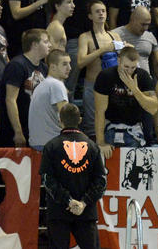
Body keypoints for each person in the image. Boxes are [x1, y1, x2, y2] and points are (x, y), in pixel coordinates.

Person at [40, 103, 107, 249]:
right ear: (80, 120)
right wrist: (84, 202)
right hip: (86, 212)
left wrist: (68, 200)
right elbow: (101, 182)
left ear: (60, 121)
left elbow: (47, 180)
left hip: (58, 211)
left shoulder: (51, 146)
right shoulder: (93, 146)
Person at [94, 45, 158, 155]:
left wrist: (134, 89)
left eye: (133, 67)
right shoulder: (106, 76)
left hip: (134, 128)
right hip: (111, 126)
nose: (129, 71)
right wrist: (100, 142)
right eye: (126, 67)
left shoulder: (142, 76)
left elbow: (153, 109)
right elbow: (99, 111)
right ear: (118, 61)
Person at [0, 28, 50, 147]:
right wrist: (18, 131)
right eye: (46, 41)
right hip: (18, 128)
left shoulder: (44, 67)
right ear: (35, 44)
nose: (50, 45)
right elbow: (10, 100)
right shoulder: (17, 65)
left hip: (37, 128)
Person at [28, 49, 72, 150]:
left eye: (69, 63)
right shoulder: (56, 84)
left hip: (37, 142)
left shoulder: (42, 85)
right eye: (64, 64)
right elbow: (67, 118)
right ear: (53, 67)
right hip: (51, 143)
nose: (69, 68)